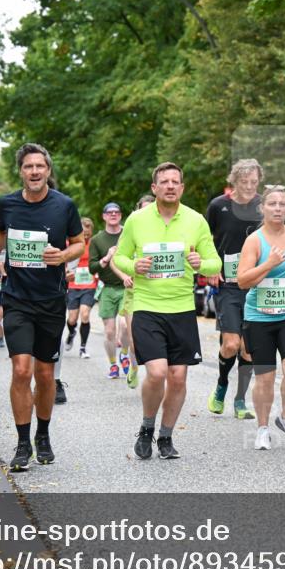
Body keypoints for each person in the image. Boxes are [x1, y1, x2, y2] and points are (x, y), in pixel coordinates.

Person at [111, 162, 221, 460]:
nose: (170, 186)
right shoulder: (137, 220)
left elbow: (215, 263)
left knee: (178, 377)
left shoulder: (196, 220)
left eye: (175, 181)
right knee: (157, 372)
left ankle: (166, 436)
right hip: (147, 306)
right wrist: (134, 266)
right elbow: (119, 257)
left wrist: (201, 264)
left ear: (182, 188)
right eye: (164, 181)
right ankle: (147, 427)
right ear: (154, 187)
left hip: (182, 308)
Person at [0, 143, 84, 472]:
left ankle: (43, 434)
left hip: (51, 300)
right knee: (21, 370)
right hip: (16, 298)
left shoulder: (64, 205)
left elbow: (79, 243)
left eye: (39, 166)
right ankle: (22, 443)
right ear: (21, 171)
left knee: (44, 375)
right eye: (28, 166)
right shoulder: (8, 203)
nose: (34, 172)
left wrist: (63, 256)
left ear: (48, 170)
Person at [236, 186, 285, 450]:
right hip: (259, 317)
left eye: (282, 204)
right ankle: (262, 428)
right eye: (272, 204)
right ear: (262, 208)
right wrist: (269, 263)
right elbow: (242, 281)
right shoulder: (254, 241)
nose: (278, 208)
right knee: (265, 377)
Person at [205, 159, 264, 420]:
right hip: (228, 285)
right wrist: (210, 266)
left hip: (256, 285)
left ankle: (240, 399)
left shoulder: (264, 206)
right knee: (231, 344)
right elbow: (204, 240)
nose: (249, 187)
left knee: (248, 349)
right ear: (234, 181)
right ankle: (221, 385)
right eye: (244, 182)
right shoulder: (218, 206)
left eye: (254, 182)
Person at [110, 194, 155, 389]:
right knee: (135, 340)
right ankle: (134, 367)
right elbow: (115, 260)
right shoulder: (131, 229)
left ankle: (156, 376)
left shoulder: (164, 231)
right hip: (134, 292)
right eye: (144, 209)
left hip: (157, 293)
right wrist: (124, 276)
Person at [89, 202, 133, 378]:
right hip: (107, 288)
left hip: (127, 287)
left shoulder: (128, 234)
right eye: (110, 212)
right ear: (104, 216)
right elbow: (92, 268)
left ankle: (124, 354)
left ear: (120, 215)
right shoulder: (97, 240)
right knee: (109, 331)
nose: (113, 215)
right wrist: (106, 258)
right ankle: (113, 364)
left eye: (116, 212)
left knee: (125, 325)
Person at [65, 217, 98, 359]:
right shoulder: (70, 244)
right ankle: (71, 332)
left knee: (85, 314)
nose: (86, 236)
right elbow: (63, 260)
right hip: (73, 285)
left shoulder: (94, 244)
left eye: (88, 233)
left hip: (89, 285)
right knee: (72, 319)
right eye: (83, 233)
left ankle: (83, 347)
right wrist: (66, 271)